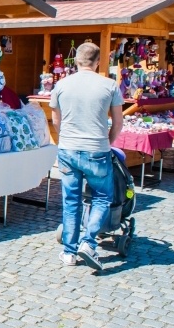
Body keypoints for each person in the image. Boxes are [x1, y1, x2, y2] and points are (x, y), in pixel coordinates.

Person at [50, 42, 124, 271]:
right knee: (102, 197)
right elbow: (118, 123)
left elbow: (56, 121)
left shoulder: (61, 85)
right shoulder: (110, 85)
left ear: (76, 61)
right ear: (98, 61)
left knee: (71, 200)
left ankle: (69, 252)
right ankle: (88, 241)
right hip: (97, 149)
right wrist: (107, 142)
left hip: (68, 149)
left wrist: (66, 140)